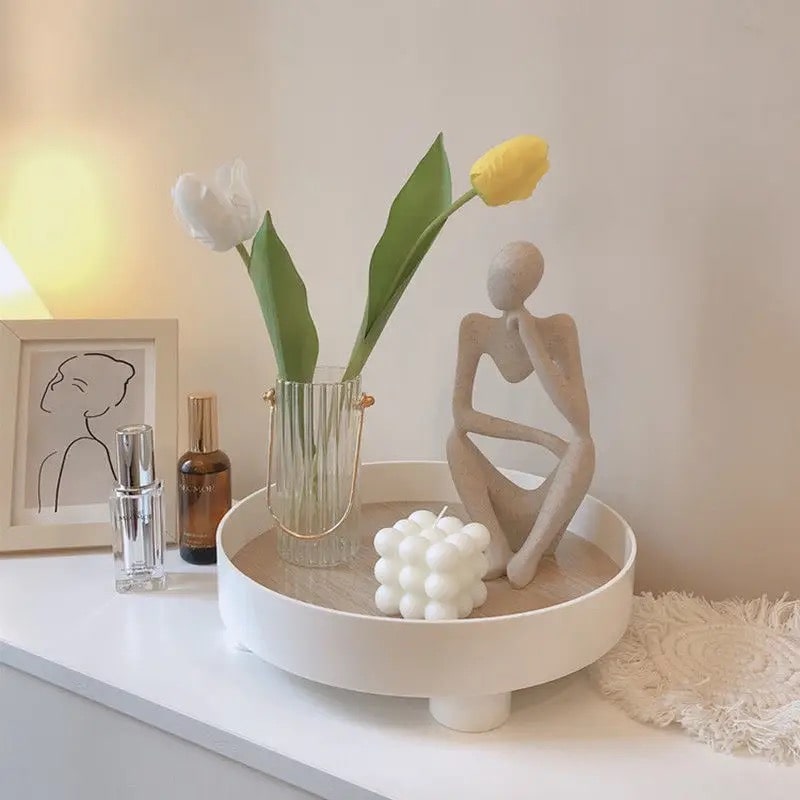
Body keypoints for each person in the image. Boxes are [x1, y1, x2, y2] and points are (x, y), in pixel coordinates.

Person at [447, 242, 595, 588]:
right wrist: (540, 437)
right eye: (496, 275)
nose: (498, 284)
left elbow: (580, 421)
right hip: (500, 502)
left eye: (510, 278)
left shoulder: (559, 329)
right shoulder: (475, 328)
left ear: (530, 285)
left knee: (585, 448)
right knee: (455, 441)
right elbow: (462, 415)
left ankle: (528, 555)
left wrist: (532, 341)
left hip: (546, 509)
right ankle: (496, 545)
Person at [37, 353, 135, 512]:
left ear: (96, 406)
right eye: (59, 375)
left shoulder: (86, 448)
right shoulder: (55, 453)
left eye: (76, 385)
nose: (55, 384)